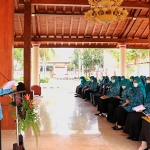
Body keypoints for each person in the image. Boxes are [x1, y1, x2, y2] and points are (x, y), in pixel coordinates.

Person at [123, 77, 150, 141]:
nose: (134, 83)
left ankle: (136, 136)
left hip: (147, 110)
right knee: (131, 115)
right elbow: (147, 102)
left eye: (135, 81)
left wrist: (144, 107)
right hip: (145, 109)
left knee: (135, 117)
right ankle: (131, 134)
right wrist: (143, 107)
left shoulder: (141, 90)